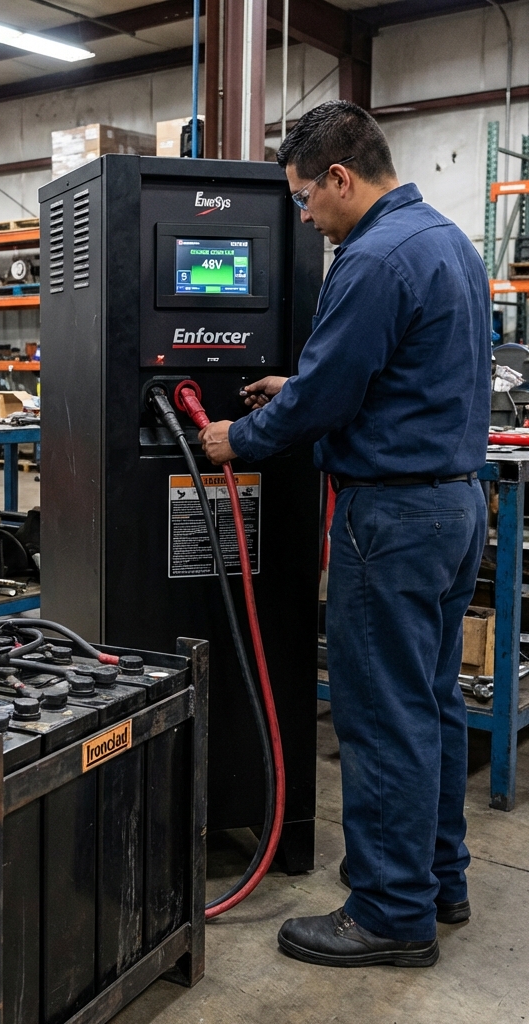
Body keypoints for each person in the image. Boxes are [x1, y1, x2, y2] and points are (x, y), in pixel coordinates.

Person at [200, 101, 489, 968]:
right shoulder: (448, 242)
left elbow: (328, 401)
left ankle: (391, 913)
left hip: (391, 516)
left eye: (302, 199)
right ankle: (441, 882)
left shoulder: (371, 258)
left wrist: (236, 439)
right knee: (431, 704)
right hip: (453, 505)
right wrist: (305, 380)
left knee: (381, 716)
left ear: (338, 176)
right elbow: (391, 369)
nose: (303, 217)